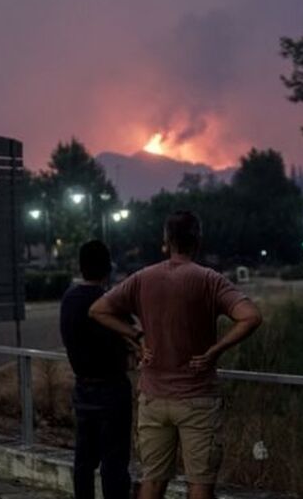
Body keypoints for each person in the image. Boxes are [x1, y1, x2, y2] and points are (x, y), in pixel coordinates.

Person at [89, 210, 263, 499]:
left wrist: (137, 337)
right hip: (198, 398)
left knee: (153, 481)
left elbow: (98, 310)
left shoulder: (142, 278)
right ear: (198, 241)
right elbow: (251, 317)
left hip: (153, 398)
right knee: (200, 485)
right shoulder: (210, 280)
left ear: (166, 241)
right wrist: (215, 350)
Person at [60, 240, 134, 499]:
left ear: (81, 267)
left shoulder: (69, 300)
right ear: (107, 268)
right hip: (112, 389)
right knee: (114, 464)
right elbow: (132, 338)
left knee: (84, 462)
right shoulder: (109, 303)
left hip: (82, 388)